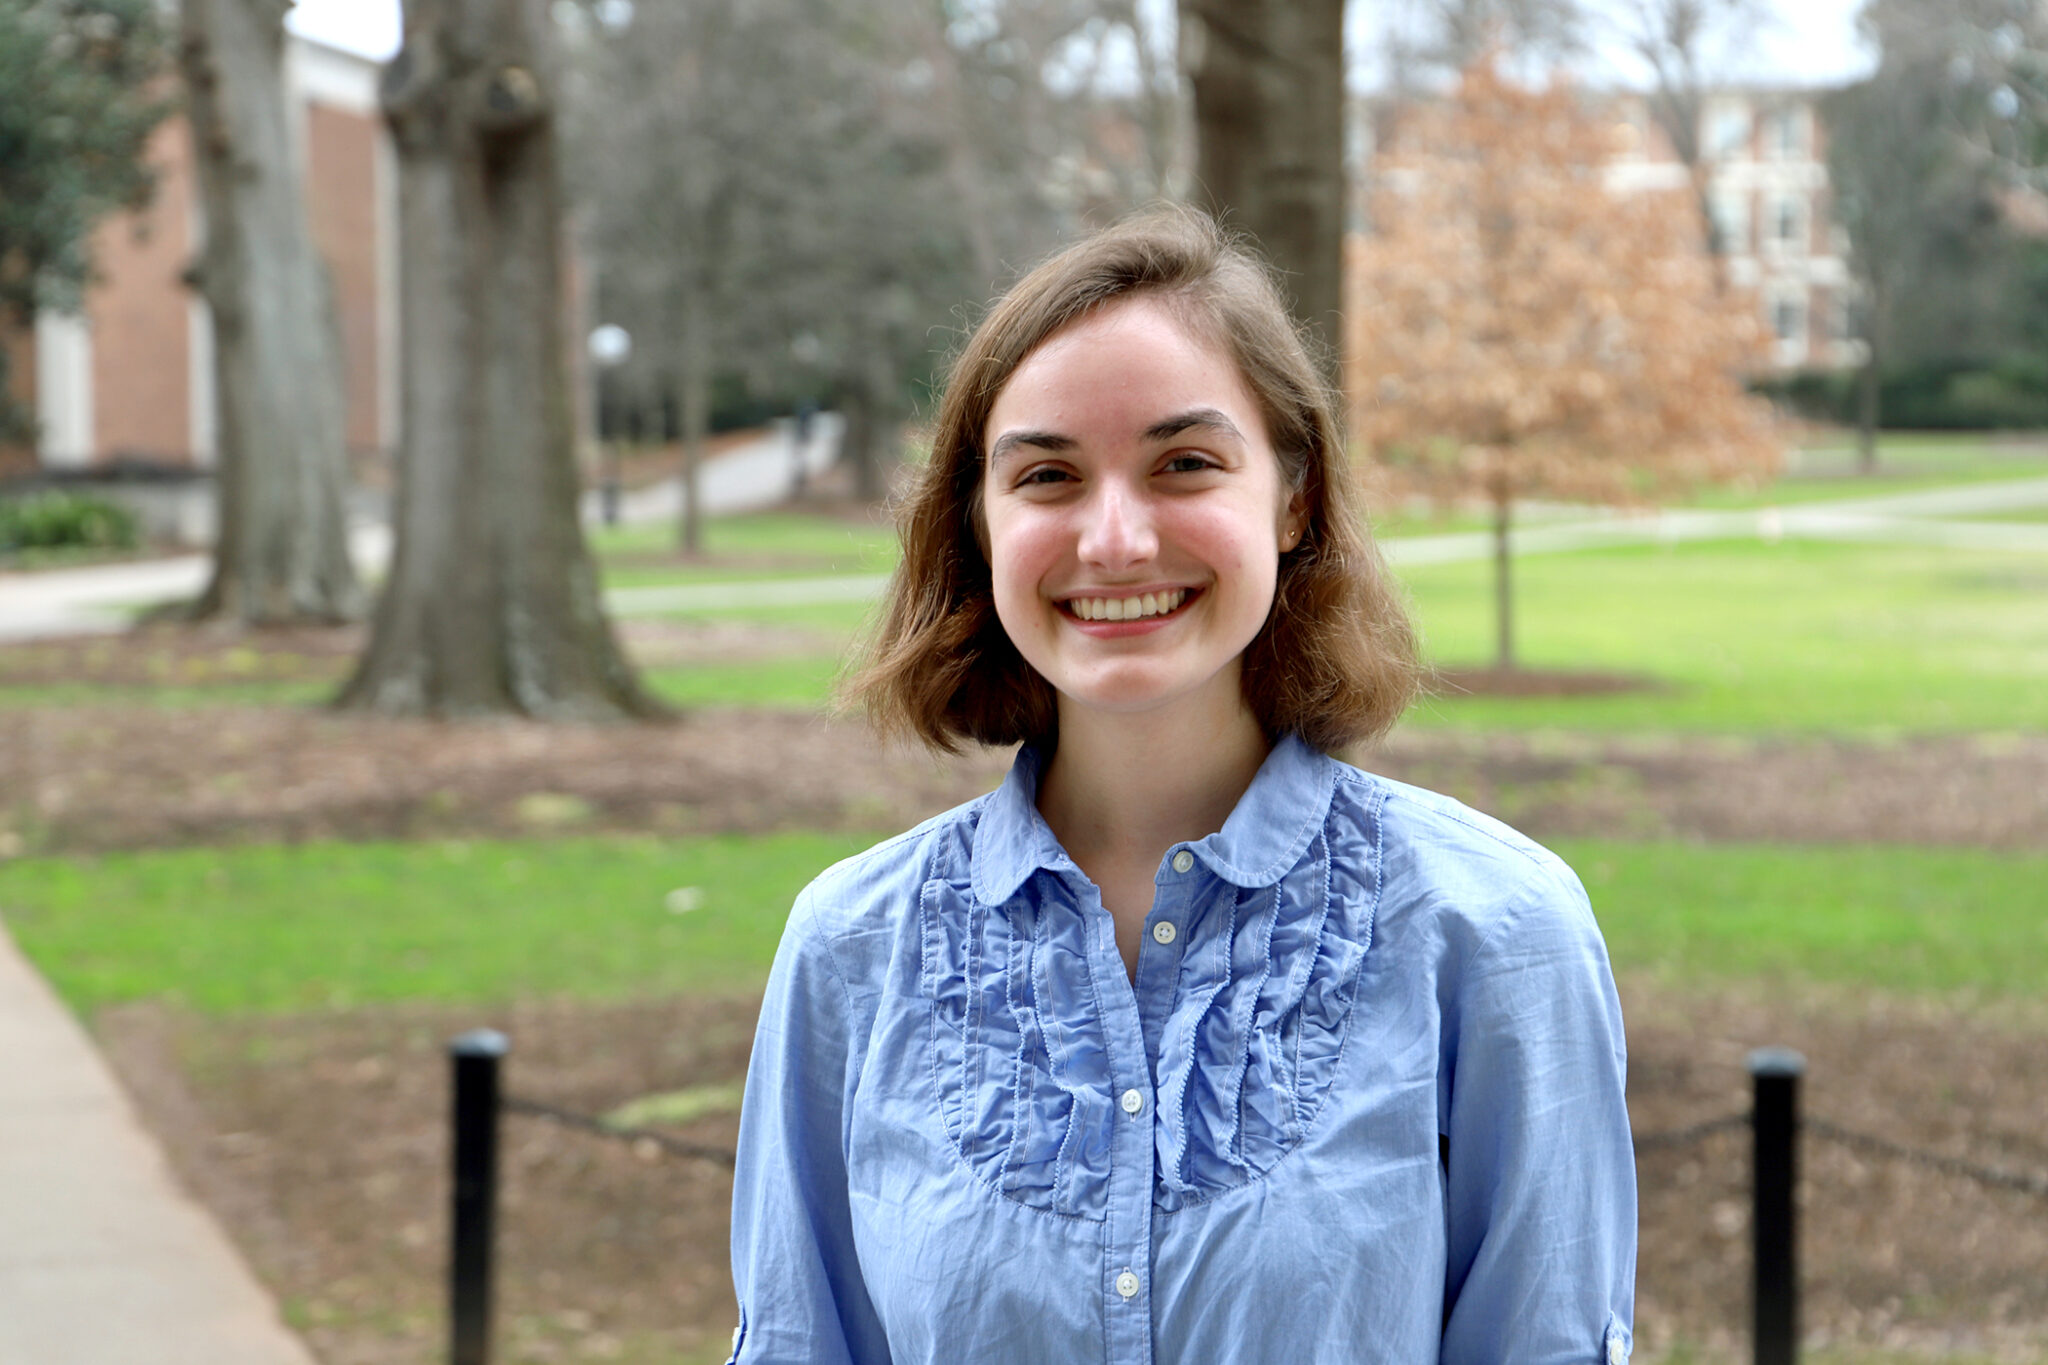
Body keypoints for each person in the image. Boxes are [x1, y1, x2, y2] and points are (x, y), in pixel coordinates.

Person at [727, 208, 1636, 1365]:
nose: (1113, 539)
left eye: (1183, 464)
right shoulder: (849, 951)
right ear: (980, 523)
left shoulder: (1494, 934)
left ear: (1294, 497)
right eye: (1046, 475)